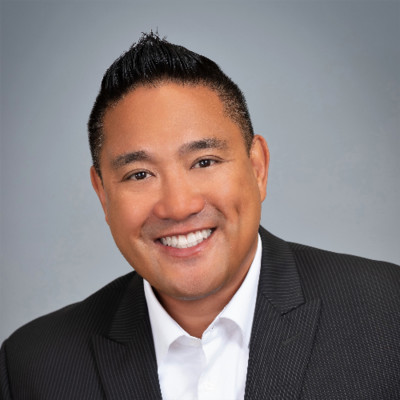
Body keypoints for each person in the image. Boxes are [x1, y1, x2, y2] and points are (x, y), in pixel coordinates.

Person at [1, 32, 399, 400]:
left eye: (204, 161)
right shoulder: (32, 367)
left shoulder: (388, 316)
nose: (178, 206)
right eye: (139, 174)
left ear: (258, 168)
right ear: (103, 194)